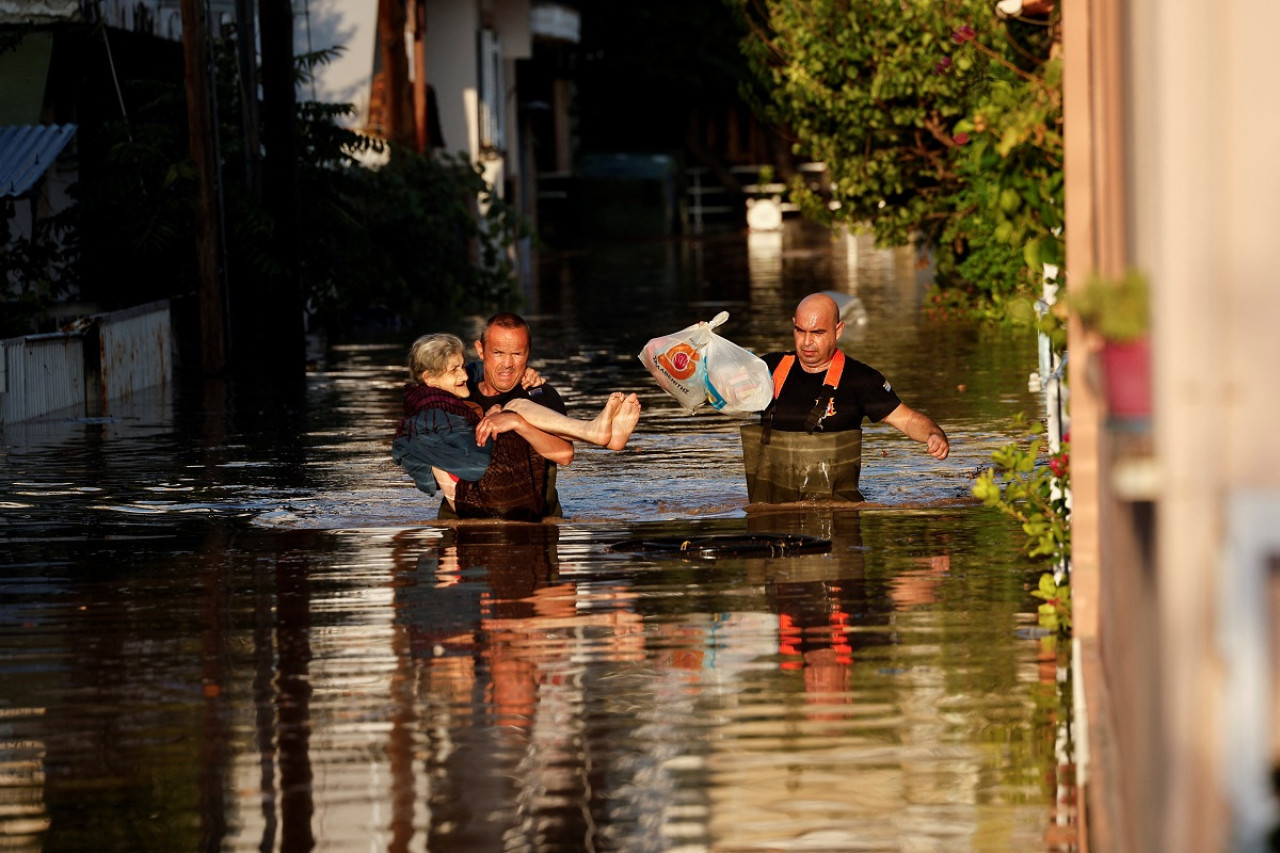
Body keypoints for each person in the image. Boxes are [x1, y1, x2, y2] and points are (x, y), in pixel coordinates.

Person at [392, 333, 640, 521]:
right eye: (454, 370)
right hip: (476, 503)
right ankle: (595, 433)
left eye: (462, 365)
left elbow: (480, 369)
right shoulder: (431, 416)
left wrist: (524, 376)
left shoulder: (458, 394)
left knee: (515, 410)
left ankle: (601, 435)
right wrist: (497, 418)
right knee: (516, 408)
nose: (464, 375)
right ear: (430, 379)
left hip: (504, 498)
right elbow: (469, 461)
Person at [741, 292, 949, 504]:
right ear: (793, 325)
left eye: (817, 333)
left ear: (838, 331)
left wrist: (934, 434)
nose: (806, 342)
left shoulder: (861, 380)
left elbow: (907, 420)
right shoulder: (767, 369)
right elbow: (722, 390)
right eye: (800, 331)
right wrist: (706, 350)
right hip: (770, 511)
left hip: (836, 512)